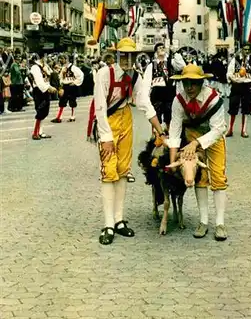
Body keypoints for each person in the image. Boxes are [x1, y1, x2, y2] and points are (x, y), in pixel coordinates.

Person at [92, 38, 165, 246]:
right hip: (109, 121)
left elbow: (144, 103)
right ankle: (107, 224)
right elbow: (99, 108)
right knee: (108, 171)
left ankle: (119, 219)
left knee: (123, 170)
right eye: (123, 55)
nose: (126, 59)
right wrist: (105, 137)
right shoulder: (104, 74)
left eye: (130, 55)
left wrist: (160, 130)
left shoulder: (136, 76)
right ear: (116, 55)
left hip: (126, 121)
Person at [167, 64, 228, 241]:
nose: (190, 88)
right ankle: (203, 221)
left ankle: (220, 223)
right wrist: (172, 161)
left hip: (213, 137)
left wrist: (196, 143)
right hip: (192, 134)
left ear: (202, 82)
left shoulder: (214, 99)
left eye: (194, 83)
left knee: (218, 176)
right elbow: (175, 129)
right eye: (186, 83)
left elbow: (219, 129)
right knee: (199, 177)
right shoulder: (179, 101)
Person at [141, 42, 185, 135]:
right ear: (155, 52)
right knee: (156, 114)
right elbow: (146, 83)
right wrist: (146, 97)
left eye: (163, 47)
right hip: (157, 93)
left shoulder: (171, 62)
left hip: (169, 92)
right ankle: (157, 137)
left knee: (170, 117)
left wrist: (176, 52)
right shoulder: (151, 65)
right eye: (159, 47)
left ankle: (170, 136)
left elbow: (182, 66)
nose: (161, 48)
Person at [226, 44, 251, 138]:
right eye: (245, 49)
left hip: (247, 85)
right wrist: (232, 80)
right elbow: (229, 72)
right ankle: (230, 129)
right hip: (237, 85)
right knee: (233, 107)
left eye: (248, 49)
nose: (247, 51)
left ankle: (244, 130)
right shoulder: (235, 59)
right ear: (241, 50)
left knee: (246, 108)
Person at [30, 52, 57, 140]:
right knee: (40, 111)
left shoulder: (44, 66)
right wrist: (49, 87)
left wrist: (46, 68)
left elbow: (50, 74)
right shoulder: (35, 67)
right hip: (39, 91)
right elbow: (39, 82)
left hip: (44, 90)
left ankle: (40, 132)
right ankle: (35, 133)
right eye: (46, 57)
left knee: (45, 112)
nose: (48, 59)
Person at [51, 54, 84, 123]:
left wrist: (75, 82)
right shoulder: (63, 68)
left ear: (66, 59)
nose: (60, 60)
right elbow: (60, 77)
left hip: (71, 86)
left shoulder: (74, 68)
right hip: (65, 86)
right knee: (62, 101)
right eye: (60, 59)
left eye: (62, 59)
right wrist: (61, 85)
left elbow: (81, 75)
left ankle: (72, 116)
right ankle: (59, 117)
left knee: (72, 101)